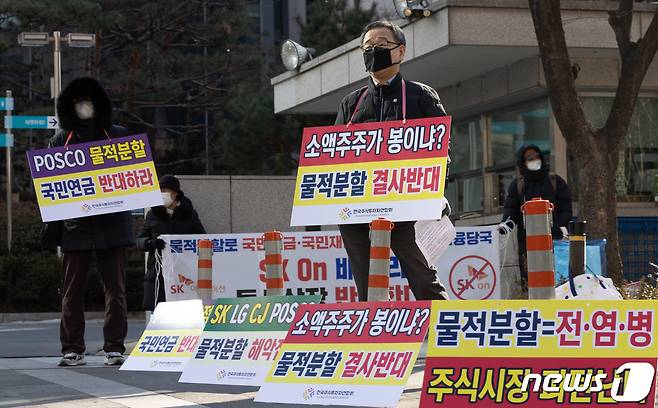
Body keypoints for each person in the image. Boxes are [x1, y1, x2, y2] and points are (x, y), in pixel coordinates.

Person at [334, 20, 449, 301]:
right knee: (366, 279)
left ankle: (445, 329)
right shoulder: (352, 102)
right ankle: (376, 332)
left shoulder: (421, 95)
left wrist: (435, 191)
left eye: (382, 45)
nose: (374, 51)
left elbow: (442, 149)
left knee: (422, 276)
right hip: (357, 205)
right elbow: (333, 155)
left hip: (407, 203)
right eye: (368, 47)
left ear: (401, 52)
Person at [48, 77, 134, 367]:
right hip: (76, 226)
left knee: (116, 290)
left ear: (98, 104)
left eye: (88, 101)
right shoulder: (62, 139)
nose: (84, 107)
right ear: (71, 106)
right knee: (72, 291)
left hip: (112, 224)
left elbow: (135, 177)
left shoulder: (118, 135)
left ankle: (115, 347)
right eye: (78, 102)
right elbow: (50, 186)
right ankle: (72, 348)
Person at [499, 144, 573, 284]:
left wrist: (559, 227)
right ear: (522, 162)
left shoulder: (555, 181)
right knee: (531, 280)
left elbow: (566, 207)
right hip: (527, 243)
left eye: (536, 157)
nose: (534, 160)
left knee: (558, 278)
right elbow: (511, 210)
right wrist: (505, 226)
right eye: (529, 158)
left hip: (555, 241)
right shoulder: (518, 186)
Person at [136, 175, 206, 311]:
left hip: (184, 273)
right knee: (158, 313)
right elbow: (139, 240)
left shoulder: (189, 215)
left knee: (184, 312)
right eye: (159, 191)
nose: (162, 195)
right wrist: (150, 243)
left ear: (175, 194)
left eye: (165, 191)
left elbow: (202, 240)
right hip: (157, 273)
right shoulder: (152, 214)